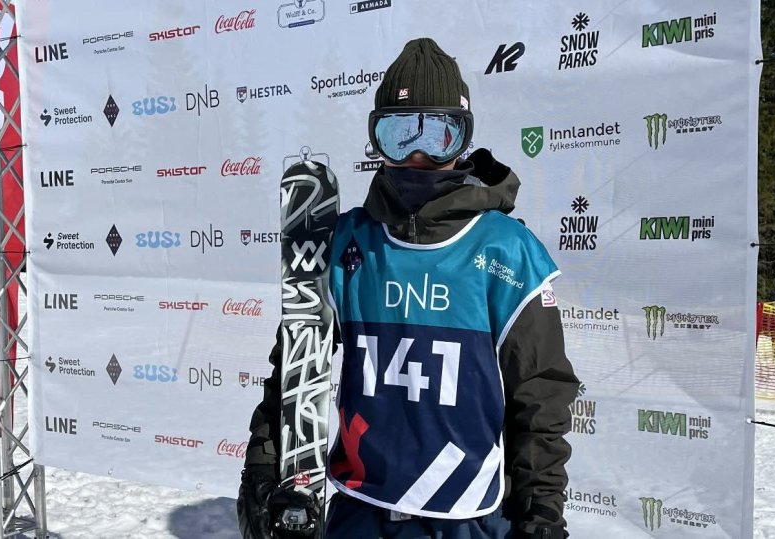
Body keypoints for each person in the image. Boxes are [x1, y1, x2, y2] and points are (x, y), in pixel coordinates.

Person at [237, 37, 579, 539]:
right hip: (360, 507)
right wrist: (265, 462)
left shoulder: (508, 253)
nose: (417, 155)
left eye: (438, 134)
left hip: (467, 515)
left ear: (463, 140)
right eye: (400, 134)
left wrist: (541, 515)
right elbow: (295, 367)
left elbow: (540, 397)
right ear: (377, 140)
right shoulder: (350, 242)